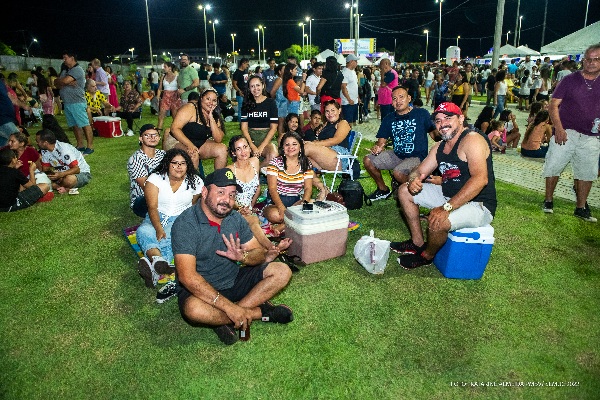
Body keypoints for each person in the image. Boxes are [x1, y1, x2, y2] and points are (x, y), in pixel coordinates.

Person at [171, 168, 294, 345]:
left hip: (233, 279)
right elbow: (187, 277)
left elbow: (259, 253)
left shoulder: (234, 218)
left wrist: (243, 256)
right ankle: (258, 312)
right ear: (204, 192)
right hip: (202, 289)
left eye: (232, 194)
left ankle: (224, 319)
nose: (227, 200)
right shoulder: (186, 224)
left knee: (282, 271)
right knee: (193, 310)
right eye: (220, 192)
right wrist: (229, 307)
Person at [394, 102, 497, 269]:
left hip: (478, 204)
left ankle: (427, 256)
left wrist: (446, 208)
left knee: (438, 220)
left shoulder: (472, 140)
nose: (443, 124)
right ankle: (417, 243)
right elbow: (419, 171)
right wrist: (413, 180)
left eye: (448, 118)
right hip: (449, 195)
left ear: (461, 118)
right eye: (438, 121)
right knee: (404, 190)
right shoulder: (440, 146)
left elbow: (480, 179)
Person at [542, 44, 600, 222]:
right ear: (583, 60)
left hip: (591, 136)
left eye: (596, 59)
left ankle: (581, 207)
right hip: (566, 131)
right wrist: (558, 128)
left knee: (587, 172)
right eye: (588, 59)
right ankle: (548, 200)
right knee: (554, 165)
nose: (591, 63)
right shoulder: (569, 80)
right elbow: (553, 104)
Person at [136, 148, 203, 288]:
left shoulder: (195, 181)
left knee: (173, 235)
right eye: (175, 163)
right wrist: (158, 228)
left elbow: (193, 205)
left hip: (180, 218)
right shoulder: (155, 179)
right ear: (167, 164)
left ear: (188, 165)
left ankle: (156, 266)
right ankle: (158, 260)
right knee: (144, 231)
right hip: (156, 216)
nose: (179, 167)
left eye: (183, 163)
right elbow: (152, 207)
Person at [363, 86, 438, 201]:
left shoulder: (421, 113)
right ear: (391, 102)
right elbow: (380, 142)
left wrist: (443, 129)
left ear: (409, 98)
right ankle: (383, 190)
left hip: (416, 156)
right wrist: (377, 148)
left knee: (398, 172)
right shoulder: (389, 118)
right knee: (368, 160)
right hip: (397, 155)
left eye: (401, 97)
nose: (398, 101)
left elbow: (435, 135)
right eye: (394, 98)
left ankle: (418, 192)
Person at [226, 135, 293, 252]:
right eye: (238, 149)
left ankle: (265, 248)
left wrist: (251, 206)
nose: (243, 152)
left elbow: (257, 187)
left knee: (252, 220)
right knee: (252, 220)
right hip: (233, 209)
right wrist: (239, 208)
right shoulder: (230, 170)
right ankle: (272, 247)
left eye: (245, 147)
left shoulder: (255, 162)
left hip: (249, 208)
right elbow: (226, 196)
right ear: (233, 153)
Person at [262, 132, 314, 235]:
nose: (290, 147)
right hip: (276, 201)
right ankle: (294, 220)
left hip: (295, 201)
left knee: (311, 204)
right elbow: (272, 189)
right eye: (287, 144)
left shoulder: (306, 164)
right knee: (275, 215)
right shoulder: (275, 163)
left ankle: (283, 226)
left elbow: (308, 188)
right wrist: (281, 207)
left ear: (300, 147)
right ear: (282, 148)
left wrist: (304, 202)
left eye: (294, 144)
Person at [169, 88, 228, 171]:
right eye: (208, 99)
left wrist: (211, 118)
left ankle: (218, 181)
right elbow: (174, 129)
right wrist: (190, 145)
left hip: (199, 143)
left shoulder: (215, 115)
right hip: (178, 141)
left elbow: (218, 139)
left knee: (222, 149)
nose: (211, 103)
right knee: (194, 154)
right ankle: (191, 181)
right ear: (201, 99)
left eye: (214, 100)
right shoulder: (190, 108)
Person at [55, 51, 95, 155]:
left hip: (77, 102)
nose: (64, 60)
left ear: (72, 58)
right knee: (75, 125)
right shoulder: (65, 70)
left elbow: (63, 82)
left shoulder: (78, 70)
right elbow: (56, 83)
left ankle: (90, 147)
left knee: (84, 124)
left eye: (65, 57)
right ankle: (80, 145)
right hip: (68, 102)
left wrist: (63, 82)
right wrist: (63, 81)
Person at [36, 129, 91, 194]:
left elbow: (77, 169)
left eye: (37, 141)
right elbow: (45, 169)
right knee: (40, 179)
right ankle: (63, 187)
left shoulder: (64, 149)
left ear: (45, 143)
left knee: (69, 180)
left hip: (81, 173)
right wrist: (52, 174)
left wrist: (60, 175)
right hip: (62, 175)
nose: (36, 143)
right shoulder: (44, 150)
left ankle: (60, 186)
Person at [127, 124, 166, 217]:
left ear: (159, 138)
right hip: (143, 199)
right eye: (147, 135)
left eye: (155, 135)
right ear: (140, 138)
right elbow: (146, 187)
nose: (152, 138)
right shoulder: (136, 159)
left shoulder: (163, 154)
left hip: (163, 192)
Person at [240, 75, 278, 167]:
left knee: (273, 155)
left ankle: (254, 171)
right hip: (250, 137)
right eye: (252, 86)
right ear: (249, 88)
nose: (255, 88)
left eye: (258, 85)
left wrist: (261, 147)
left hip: (266, 137)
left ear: (263, 86)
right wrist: (252, 145)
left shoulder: (270, 103)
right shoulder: (246, 103)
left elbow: (274, 128)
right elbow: (244, 128)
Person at [0, 148, 49, 212]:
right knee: (45, 186)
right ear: (13, 160)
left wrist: (14, 168)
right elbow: (32, 187)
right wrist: (31, 170)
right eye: (15, 158)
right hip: (8, 206)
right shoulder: (15, 172)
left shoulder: (12, 171)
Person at [156, 61, 181, 132]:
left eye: (165, 67)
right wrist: (158, 97)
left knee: (175, 117)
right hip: (165, 97)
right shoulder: (163, 77)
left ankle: (176, 133)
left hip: (174, 98)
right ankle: (158, 134)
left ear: (170, 68)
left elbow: (179, 88)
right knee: (161, 116)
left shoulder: (177, 77)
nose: (163, 68)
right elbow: (160, 89)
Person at [340, 54, 359, 127]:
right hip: (347, 102)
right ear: (351, 62)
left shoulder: (353, 72)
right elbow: (343, 87)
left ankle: (351, 135)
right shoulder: (345, 72)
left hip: (354, 101)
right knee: (348, 122)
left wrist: (358, 98)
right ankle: (346, 136)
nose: (357, 63)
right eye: (356, 61)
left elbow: (355, 85)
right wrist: (349, 99)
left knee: (353, 122)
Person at [269, 64, 288, 135]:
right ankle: (280, 137)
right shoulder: (279, 79)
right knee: (281, 122)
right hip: (280, 103)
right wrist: (276, 99)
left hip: (282, 103)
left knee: (282, 122)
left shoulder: (282, 79)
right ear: (280, 72)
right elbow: (272, 92)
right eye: (284, 69)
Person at [232, 58, 250, 122]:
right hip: (240, 94)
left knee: (246, 108)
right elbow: (234, 84)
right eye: (247, 64)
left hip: (246, 93)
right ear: (243, 63)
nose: (247, 66)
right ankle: (240, 121)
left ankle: (245, 121)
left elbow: (246, 82)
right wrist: (239, 91)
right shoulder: (237, 73)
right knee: (241, 108)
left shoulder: (245, 72)